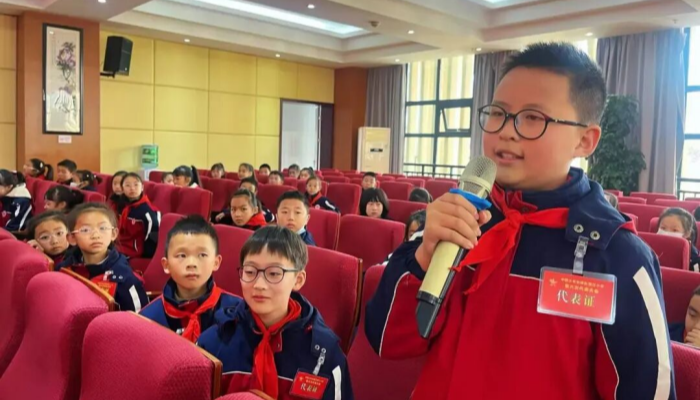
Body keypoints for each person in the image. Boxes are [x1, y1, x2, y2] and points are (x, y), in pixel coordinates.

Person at [365, 42, 676, 400]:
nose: (507, 131)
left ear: (585, 140)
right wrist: (422, 257)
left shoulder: (617, 256)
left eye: (533, 118)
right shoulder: (461, 220)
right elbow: (386, 340)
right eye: (498, 112)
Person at [197, 226, 353, 399]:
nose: (259, 285)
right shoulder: (213, 343)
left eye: (273, 273)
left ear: (298, 280)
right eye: (250, 272)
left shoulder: (326, 354)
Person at [140, 215, 241, 343]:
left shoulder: (237, 312)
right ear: (166, 265)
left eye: (202, 255)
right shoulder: (147, 319)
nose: (191, 263)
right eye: (182, 255)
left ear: (216, 262)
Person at [57, 203, 148, 312]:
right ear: (72, 238)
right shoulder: (64, 269)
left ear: (113, 234)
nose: (96, 235)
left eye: (103, 228)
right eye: (85, 230)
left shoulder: (125, 279)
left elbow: (138, 318)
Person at [117, 173, 160, 258]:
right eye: (128, 185)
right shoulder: (123, 205)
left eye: (136, 185)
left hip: (134, 251)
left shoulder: (148, 210)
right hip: (121, 244)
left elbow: (153, 236)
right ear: (122, 189)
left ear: (142, 187)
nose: (132, 188)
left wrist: (145, 257)